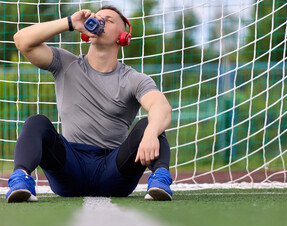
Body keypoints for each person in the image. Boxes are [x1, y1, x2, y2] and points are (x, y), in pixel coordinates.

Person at [6, 5, 173, 202]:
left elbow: (161, 106)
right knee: (37, 122)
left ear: (123, 36)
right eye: (97, 18)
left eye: (109, 20)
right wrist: (70, 22)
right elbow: (22, 41)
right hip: (70, 168)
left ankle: (160, 179)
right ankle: (20, 179)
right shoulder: (65, 63)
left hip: (113, 171)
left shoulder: (134, 79)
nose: (100, 22)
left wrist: (151, 134)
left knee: (149, 125)